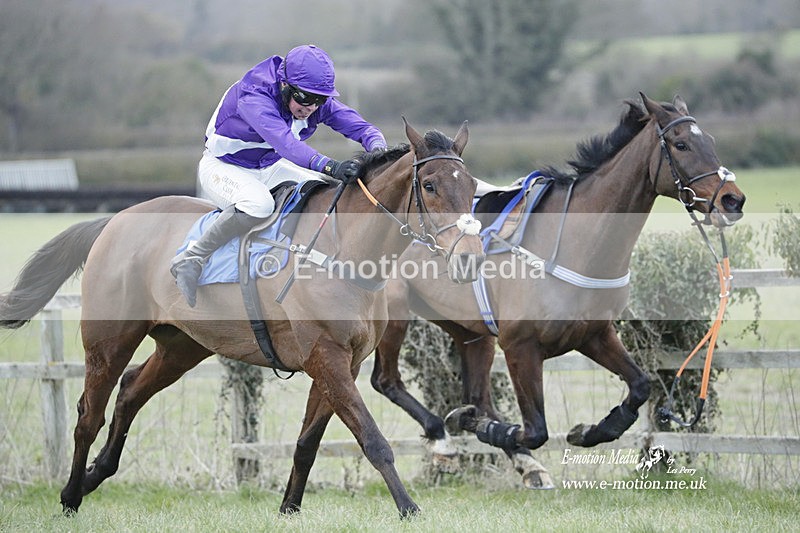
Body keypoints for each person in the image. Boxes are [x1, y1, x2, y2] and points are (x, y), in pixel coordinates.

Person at [171, 44, 388, 307]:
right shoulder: (254, 97)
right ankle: (193, 257)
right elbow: (288, 145)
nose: (311, 107)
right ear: (284, 85)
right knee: (258, 204)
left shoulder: (311, 97)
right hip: (223, 167)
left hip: (269, 166)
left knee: (324, 190)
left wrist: (379, 153)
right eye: (305, 98)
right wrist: (332, 166)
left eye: (319, 100)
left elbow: (363, 128)